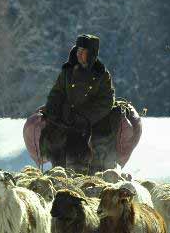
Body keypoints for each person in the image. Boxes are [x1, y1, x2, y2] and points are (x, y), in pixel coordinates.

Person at [41, 34, 118, 173]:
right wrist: (52, 111)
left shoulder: (101, 74)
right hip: (67, 119)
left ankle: (93, 173)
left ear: (92, 54)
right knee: (53, 138)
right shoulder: (67, 71)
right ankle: (58, 172)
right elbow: (56, 93)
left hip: (91, 122)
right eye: (78, 50)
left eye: (83, 51)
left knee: (98, 142)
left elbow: (106, 101)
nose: (79, 54)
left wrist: (85, 116)